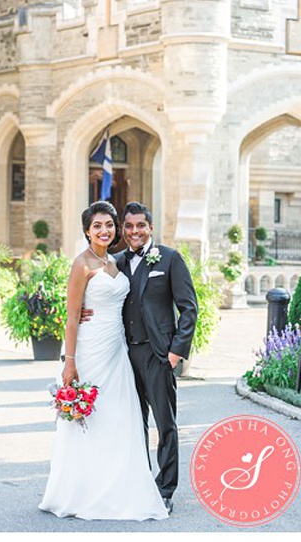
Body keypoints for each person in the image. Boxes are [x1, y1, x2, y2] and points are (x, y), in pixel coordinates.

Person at [39, 201, 168, 520]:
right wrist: (69, 361)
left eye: (110, 225)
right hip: (89, 349)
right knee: (90, 418)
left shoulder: (116, 262)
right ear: (87, 230)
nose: (104, 230)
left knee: (118, 418)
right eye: (97, 225)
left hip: (117, 349)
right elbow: (71, 319)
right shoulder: (81, 264)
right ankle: (80, 491)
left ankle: (118, 487)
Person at [112, 201, 198, 514]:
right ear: (123, 229)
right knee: (133, 424)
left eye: (140, 226)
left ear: (150, 226)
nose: (135, 231)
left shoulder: (170, 259)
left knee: (165, 424)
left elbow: (189, 308)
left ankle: (165, 488)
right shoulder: (117, 261)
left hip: (158, 354)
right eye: (129, 226)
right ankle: (137, 483)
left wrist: (176, 352)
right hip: (124, 354)